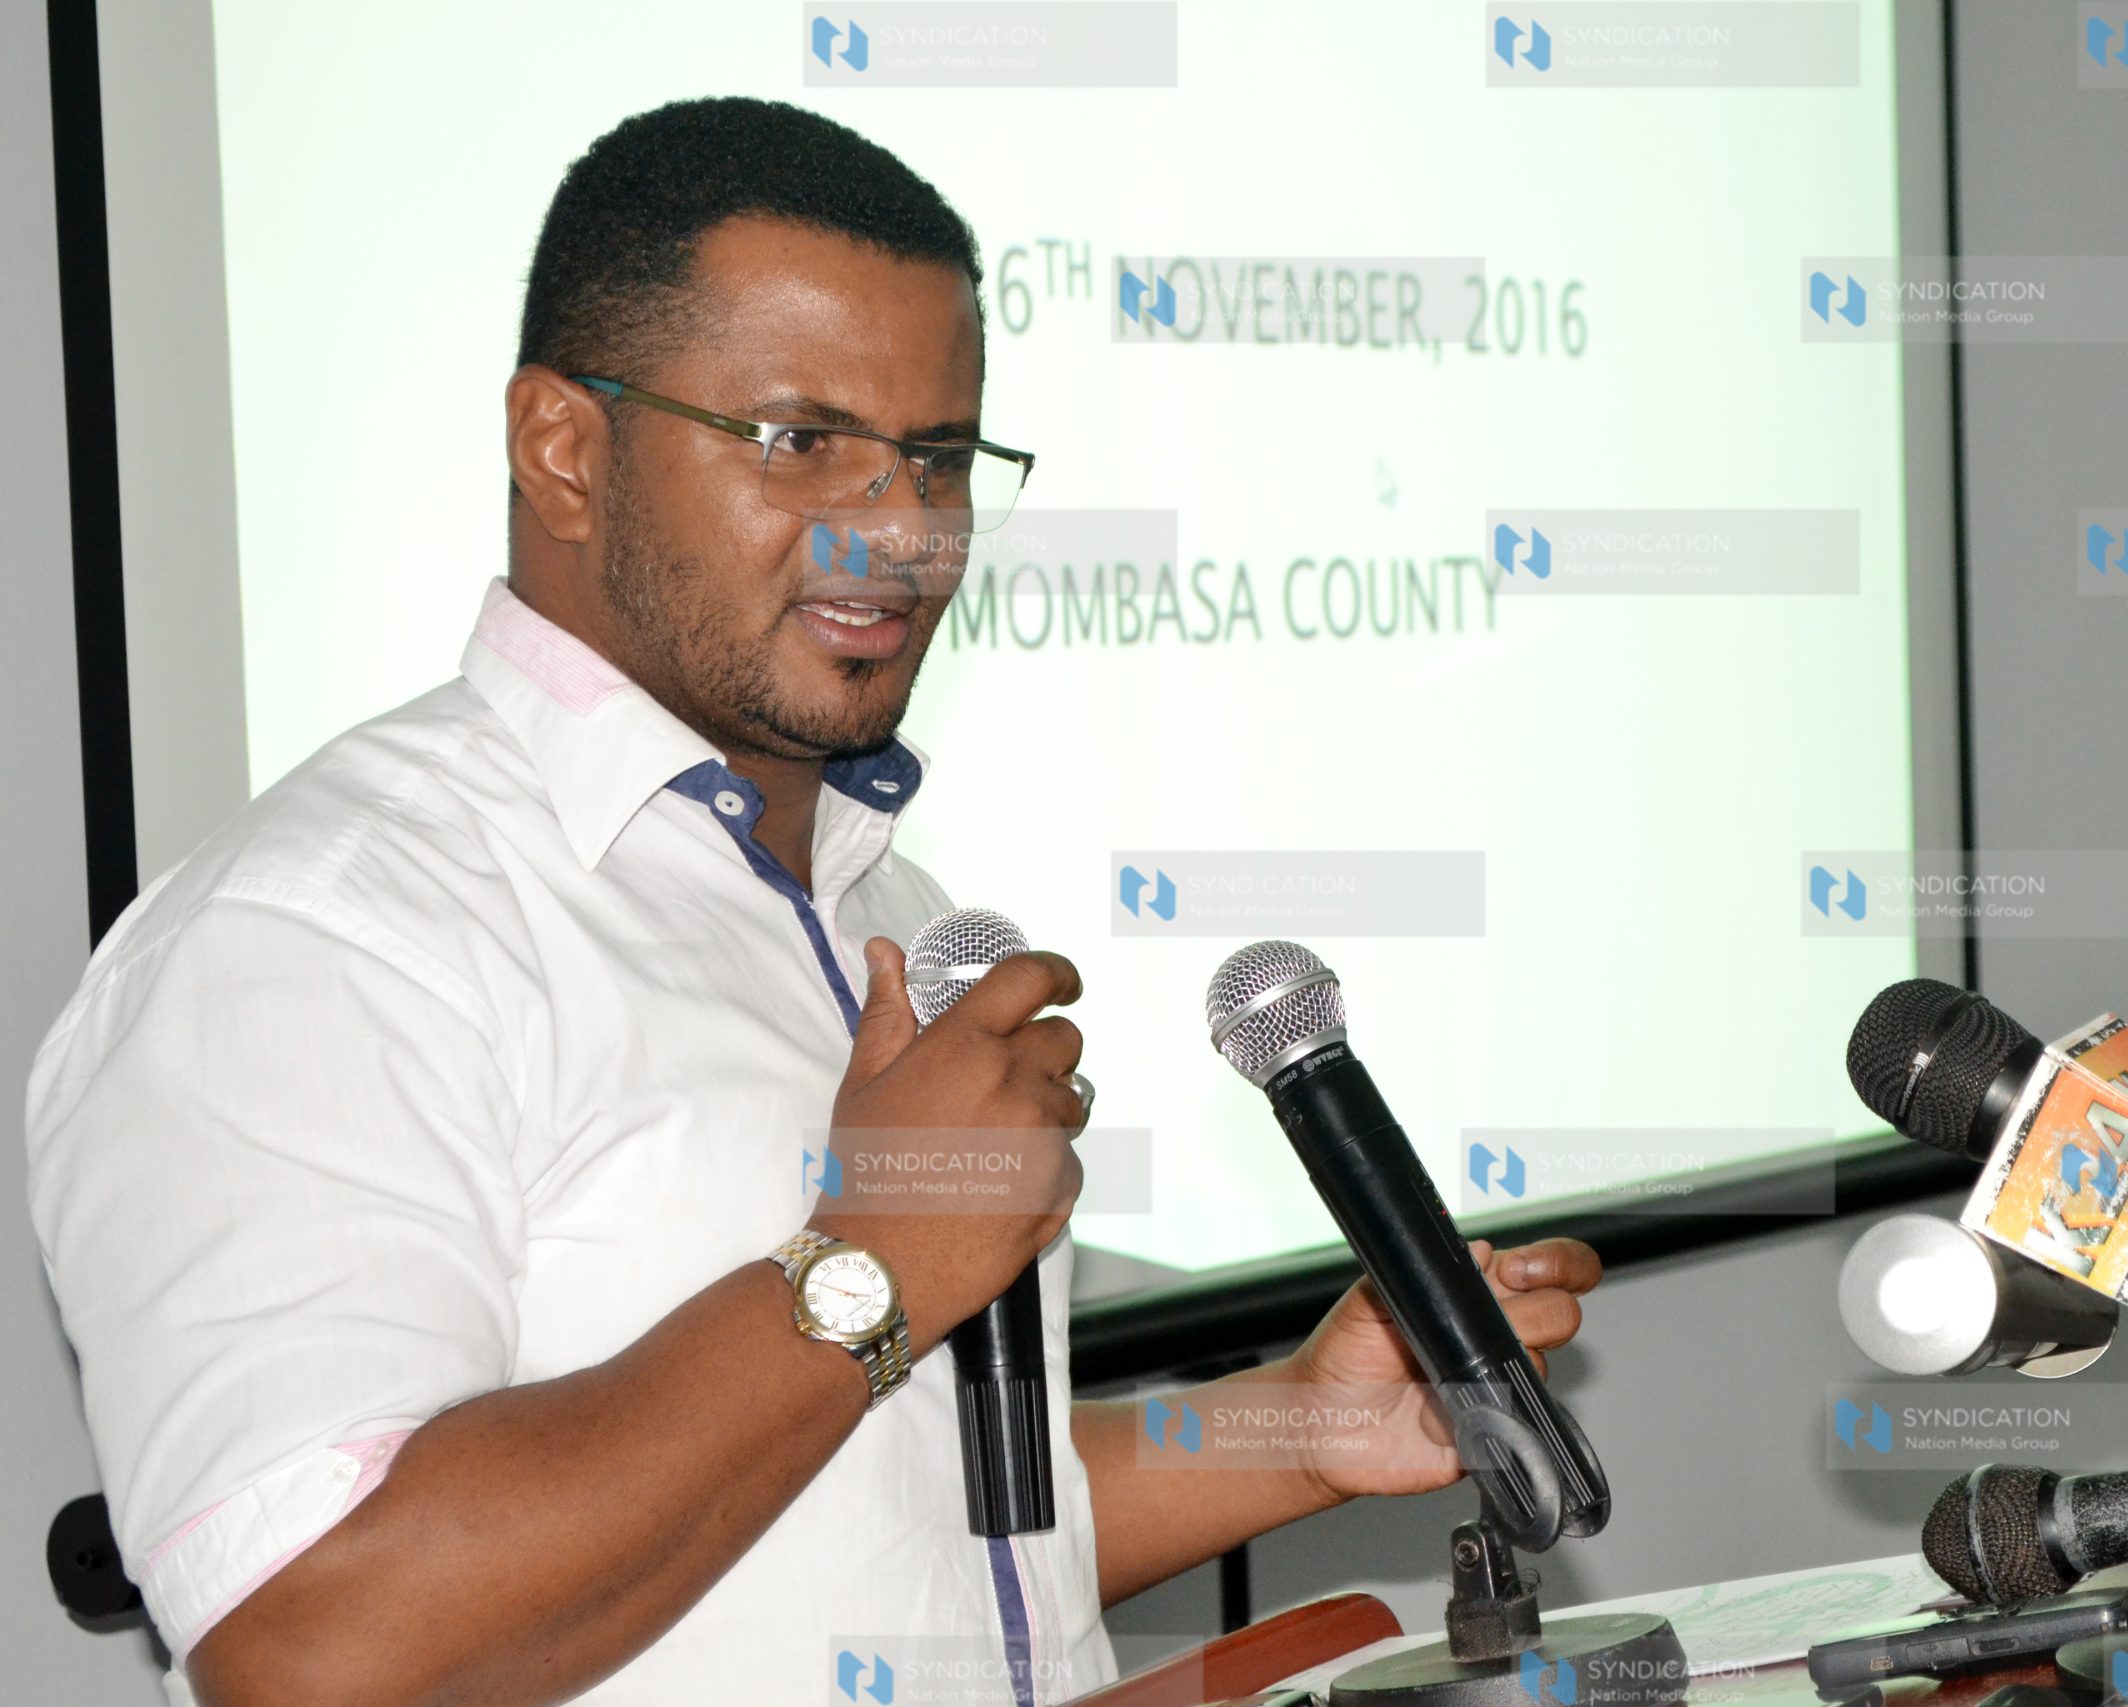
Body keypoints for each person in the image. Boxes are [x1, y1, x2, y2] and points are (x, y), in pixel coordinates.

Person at [25, 97, 1602, 1707]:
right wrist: (868, 1267)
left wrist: (1299, 1427)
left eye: (935, 456)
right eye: (801, 441)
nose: (898, 528)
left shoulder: (880, 902)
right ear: (563, 449)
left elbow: (897, 1522)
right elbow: (313, 1643)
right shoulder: (316, 938)